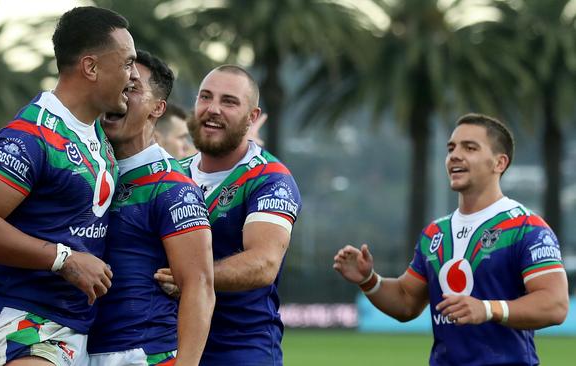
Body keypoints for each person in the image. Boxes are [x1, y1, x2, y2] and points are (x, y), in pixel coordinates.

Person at [0, 6, 139, 366]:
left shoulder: (97, 133)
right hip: (23, 322)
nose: (134, 76)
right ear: (91, 67)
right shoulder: (31, 136)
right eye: (127, 63)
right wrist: (62, 259)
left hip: (78, 327)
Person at [333, 113, 569, 365]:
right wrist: (369, 280)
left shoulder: (527, 228)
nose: (454, 155)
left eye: (470, 148)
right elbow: (406, 301)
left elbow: (554, 305)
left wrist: (488, 309)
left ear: (499, 163)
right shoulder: (435, 233)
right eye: (451, 148)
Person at [154, 65, 302, 365]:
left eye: (229, 102)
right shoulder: (171, 175)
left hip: (241, 350)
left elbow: (264, 264)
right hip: (169, 348)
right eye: (205, 97)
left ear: (252, 117)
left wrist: (191, 277)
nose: (213, 109)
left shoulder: (270, 179)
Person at [87, 50, 215, 366]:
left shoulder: (173, 186)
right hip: (76, 350)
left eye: (133, 88)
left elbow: (199, 286)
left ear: (157, 108)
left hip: (139, 356)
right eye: (119, 83)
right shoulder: (85, 172)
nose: (121, 95)